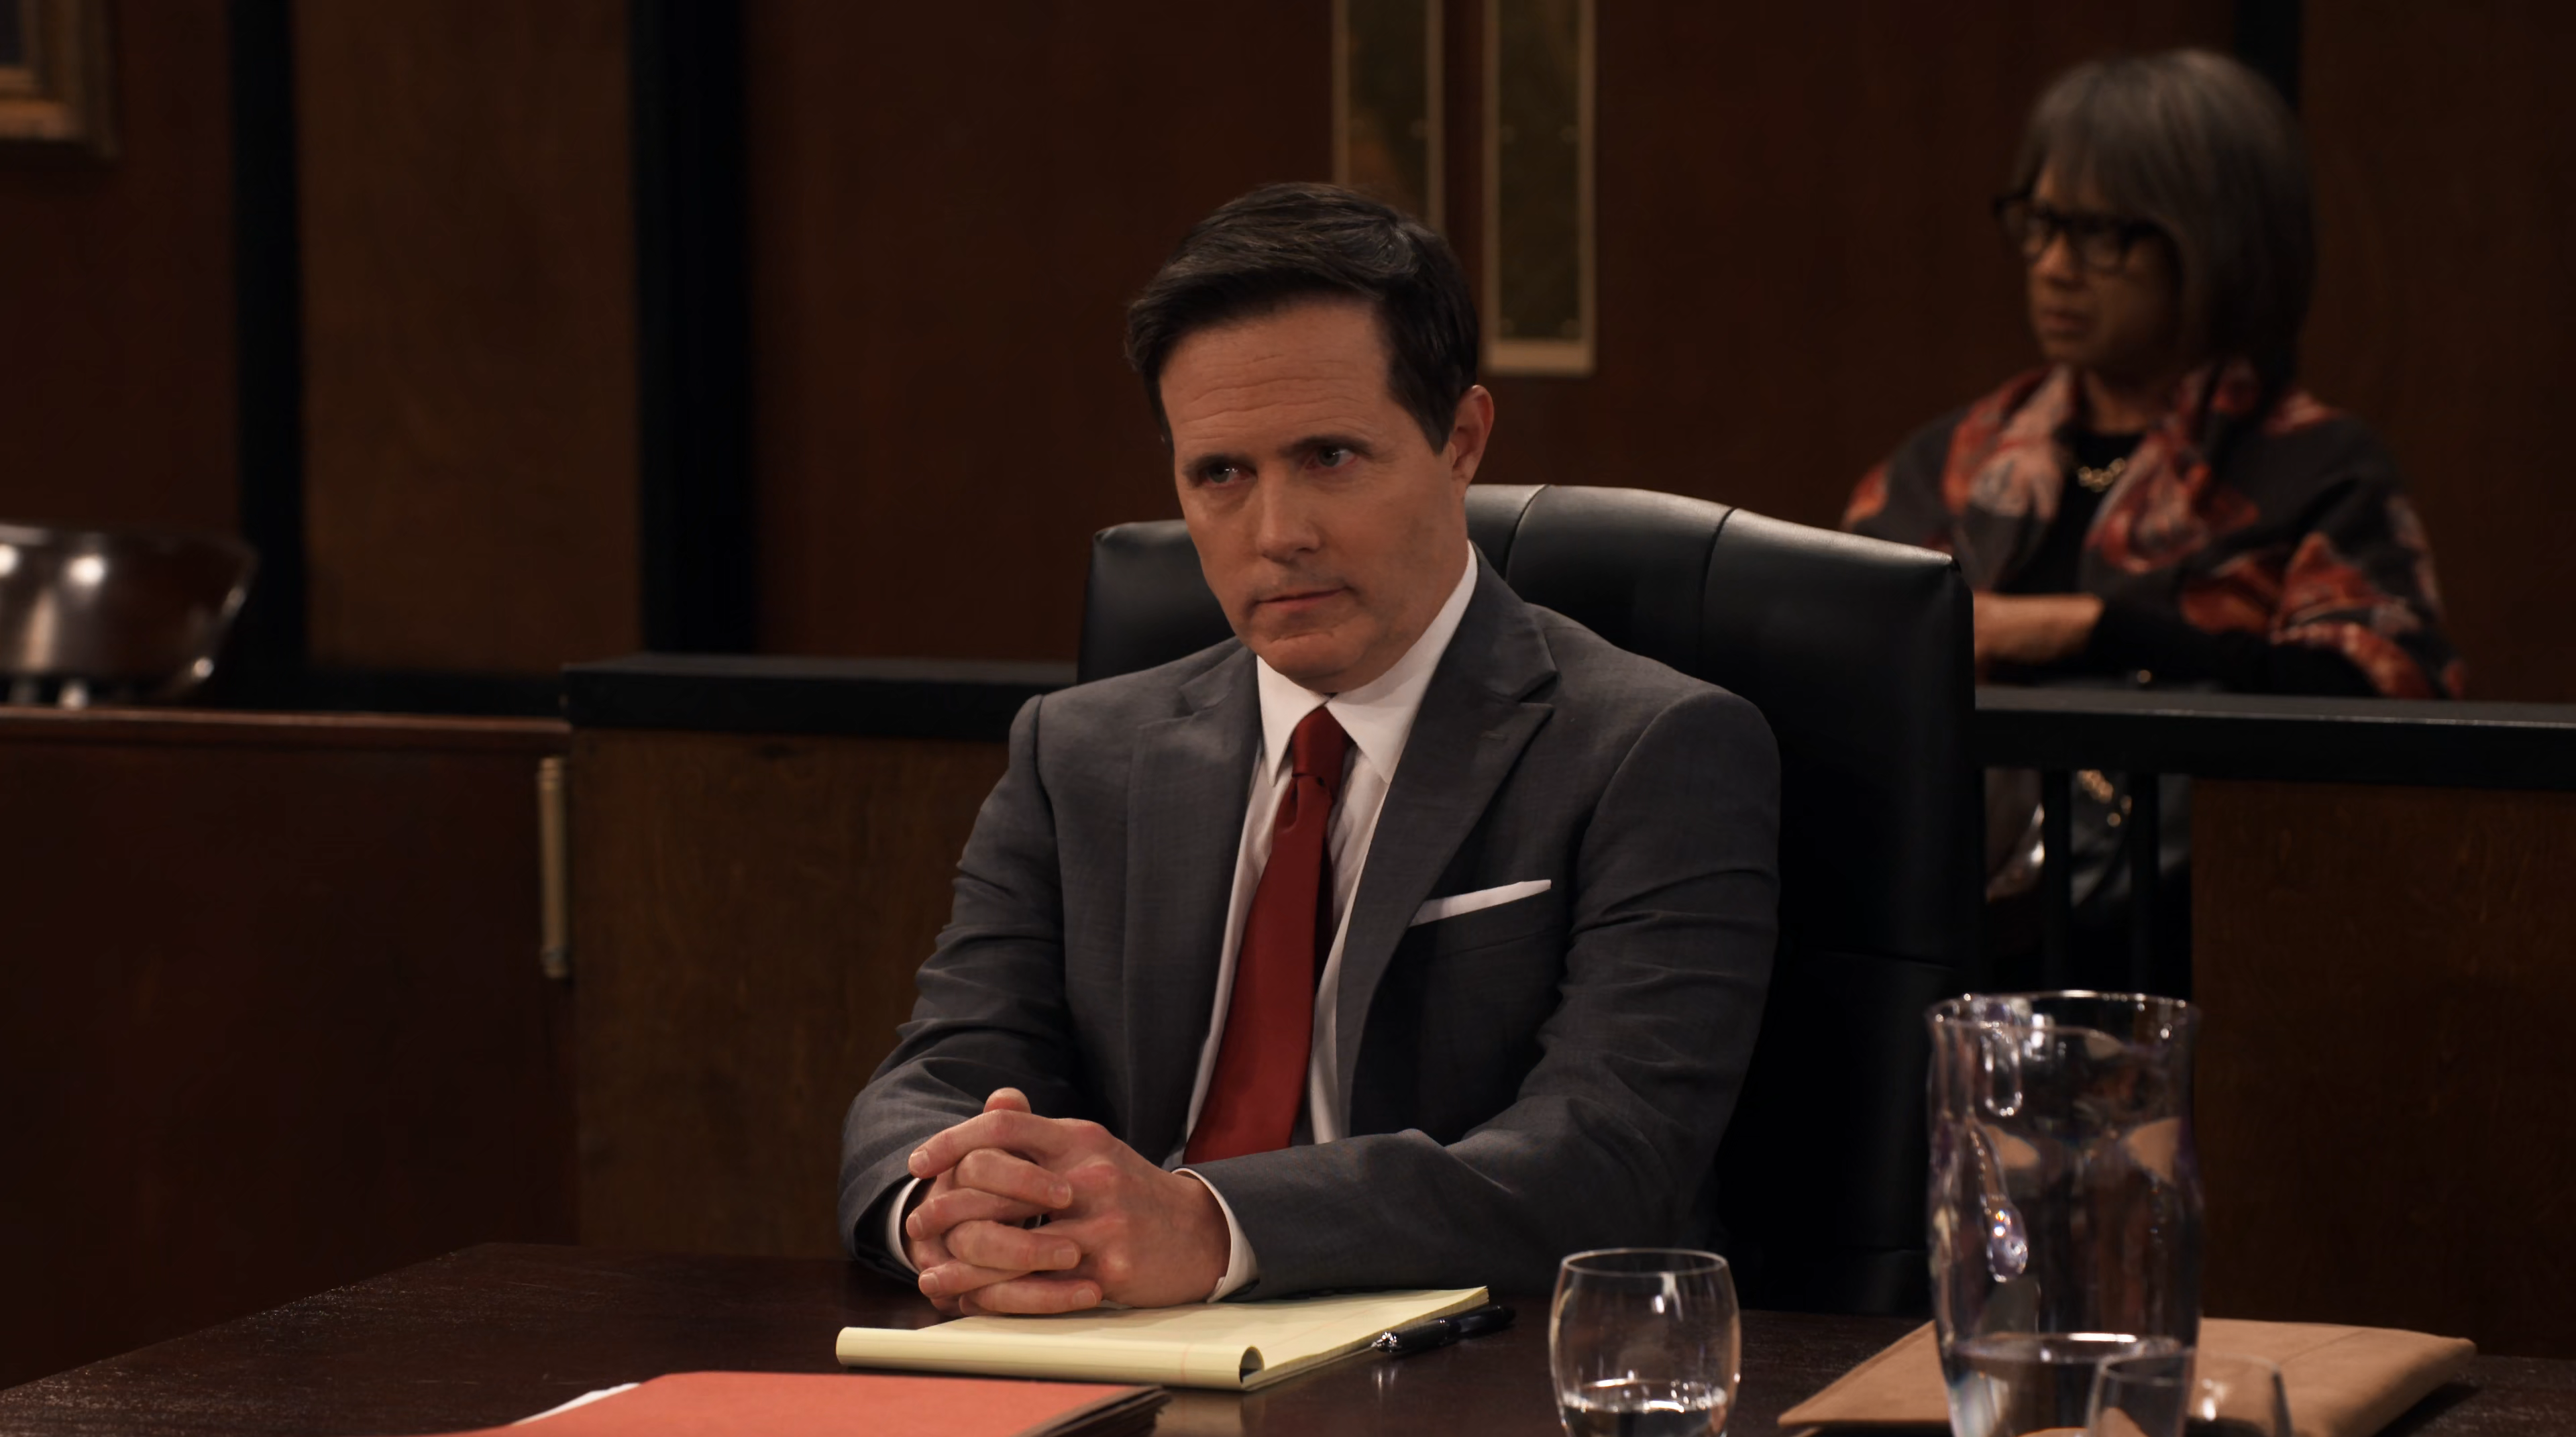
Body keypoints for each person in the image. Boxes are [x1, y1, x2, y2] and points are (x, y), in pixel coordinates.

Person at [838, 183, 1779, 1315]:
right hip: (1103, 1340)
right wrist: (948, 1208)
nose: (1277, 533)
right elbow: (933, 1080)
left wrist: (1211, 1227)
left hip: (1468, 1368)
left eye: (1329, 456)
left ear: (1461, 441)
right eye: (1220, 475)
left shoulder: (1652, 750)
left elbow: (1606, 1159)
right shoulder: (1077, 754)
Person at [1844, 48, 2461, 702]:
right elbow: (1836, 651)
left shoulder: (2319, 473)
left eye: (2099, 233)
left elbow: (2383, 701)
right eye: (2043, 223)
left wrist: (2093, 631)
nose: (2053, 266)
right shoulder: (1949, 463)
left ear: (2215, 242)